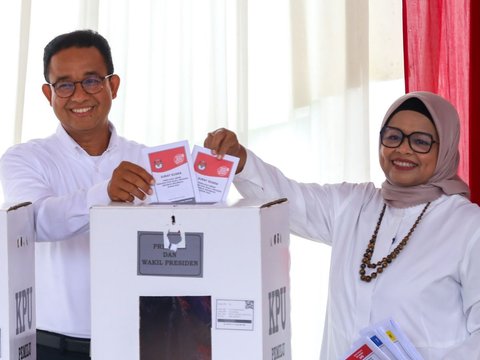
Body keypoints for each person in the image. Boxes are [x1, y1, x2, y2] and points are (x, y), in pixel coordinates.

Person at [204, 91, 480, 359]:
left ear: (444, 148)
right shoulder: (353, 204)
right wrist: (240, 161)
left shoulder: (467, 225)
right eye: (393, 137)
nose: (402, 149)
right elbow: (286, 199)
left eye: (420, 141)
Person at [0, 30, 154, 360]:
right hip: (51, 347)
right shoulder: (25, 158)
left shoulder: (149, 162)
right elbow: (35, 222)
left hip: (136, 342)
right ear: (49, 93)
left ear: (113, 86)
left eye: (92, 81)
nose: (79, 95)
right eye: (65, 84)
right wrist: (105, 194)